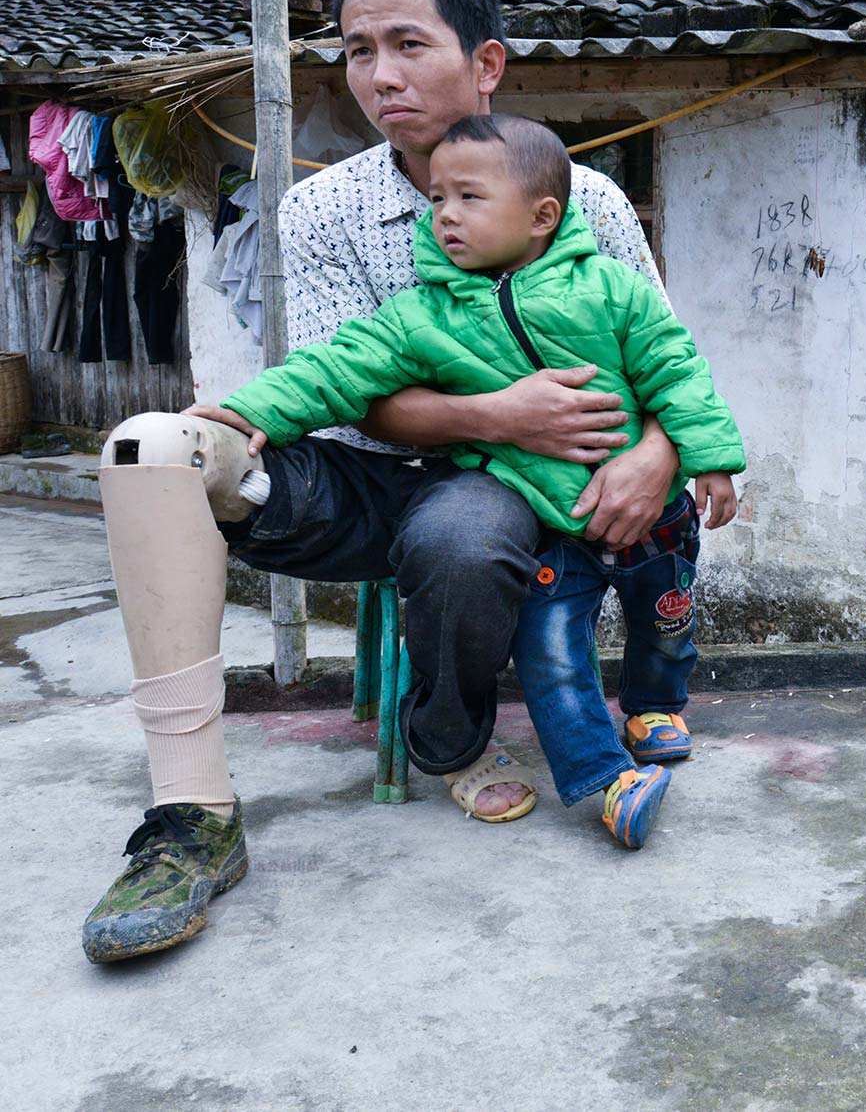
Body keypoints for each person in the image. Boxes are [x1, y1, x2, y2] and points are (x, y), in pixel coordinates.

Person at [83, 0, 690, 963]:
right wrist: (502, 414)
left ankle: (471, 728)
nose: (380, 75)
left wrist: (660, 456)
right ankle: (190, 813)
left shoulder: (580, 200)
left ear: (485, 63)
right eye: (359, 50)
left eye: (409, 43)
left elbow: (665, 350)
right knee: (149, 450)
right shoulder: (322, 205)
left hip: (541, 483)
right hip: (375, 472)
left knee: (472, 531)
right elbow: (349, 392)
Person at [192, 112, 744, 849]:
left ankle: (656, 705)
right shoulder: (423, 315)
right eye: (438, 200)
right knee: (550, 653)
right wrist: (250, 408)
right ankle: (609, 781)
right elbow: (337, 368)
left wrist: (707, 455)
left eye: (469, 198)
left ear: (542, 215)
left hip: (656, 515)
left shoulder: (611, 289)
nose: (445, 214)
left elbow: (676, 367)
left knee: (666, 624)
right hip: (554, 526)